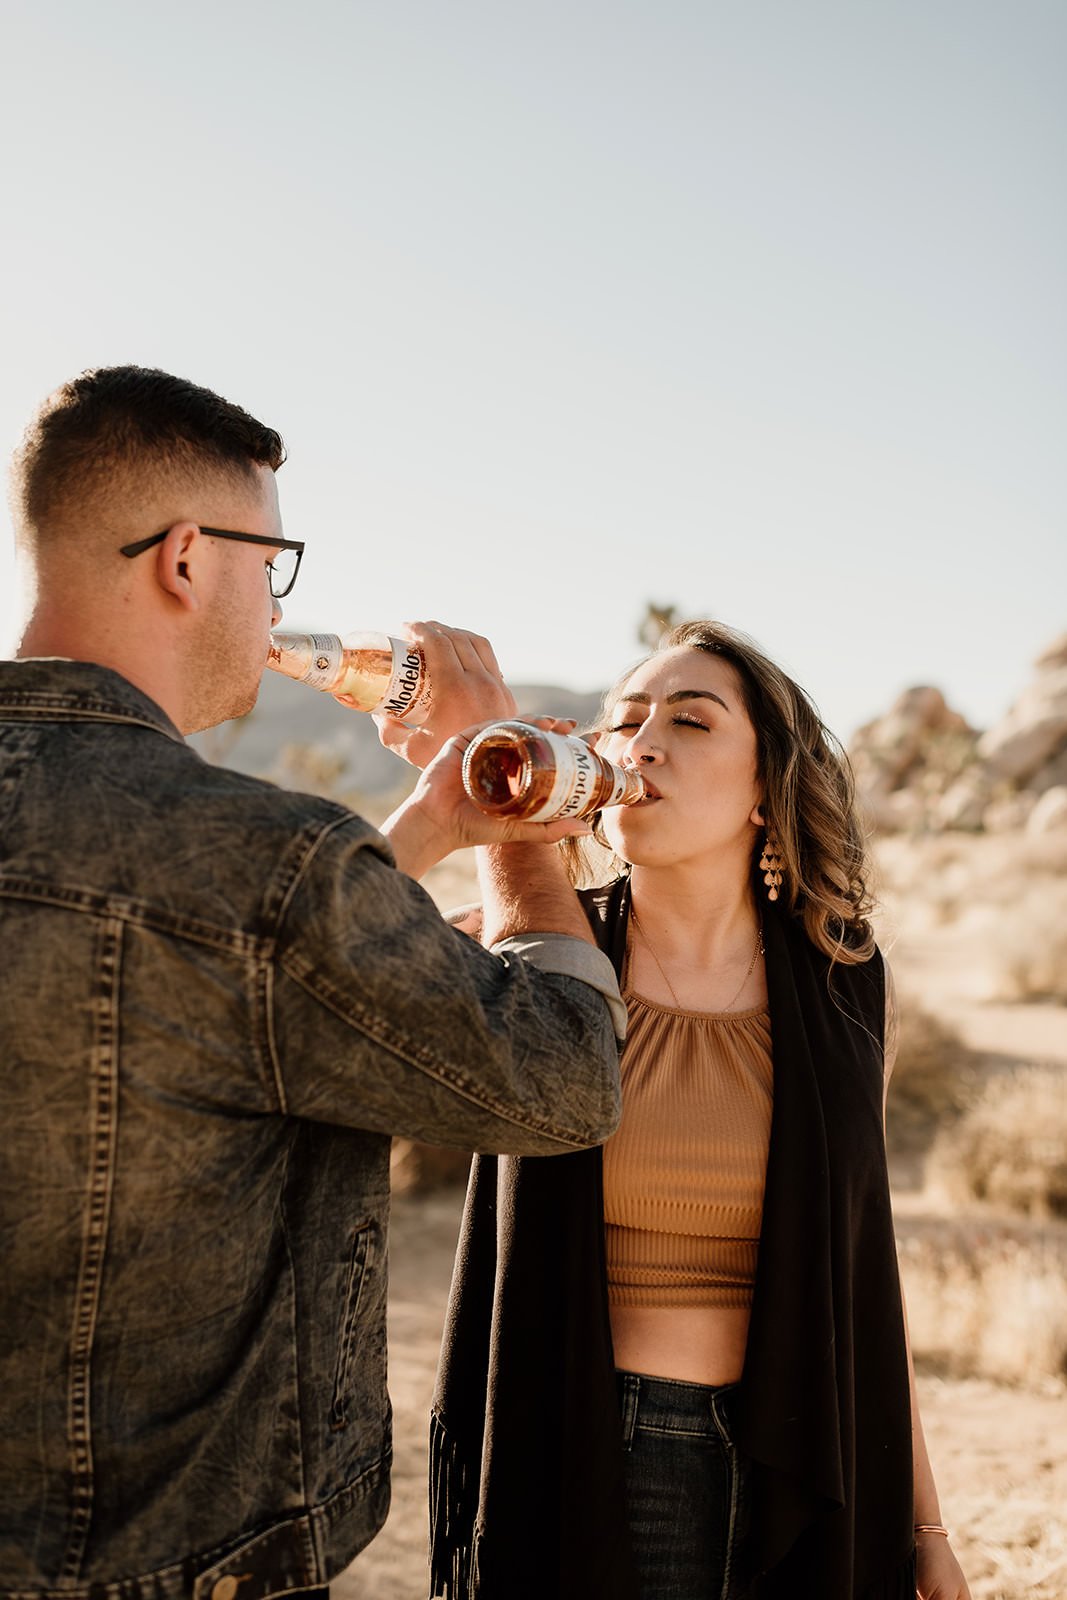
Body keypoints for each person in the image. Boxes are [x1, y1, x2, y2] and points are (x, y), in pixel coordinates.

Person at [0, 365, 627, 1600]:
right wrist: (513, 799)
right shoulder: (263, 866)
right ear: (188, 559)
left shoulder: (264, 883)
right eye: (268, 562)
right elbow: (560, 1078)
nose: (274, 602)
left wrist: (409, 837)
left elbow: (194, 970)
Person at [417, 621, 972, 1600]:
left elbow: (861, 1262)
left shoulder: (841, 980)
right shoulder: (549, 959)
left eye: (690, 718)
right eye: (623, 721)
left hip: (797, 1455)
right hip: (591, 1449)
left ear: (765, 786)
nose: (642, 743)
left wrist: (922, 1519)